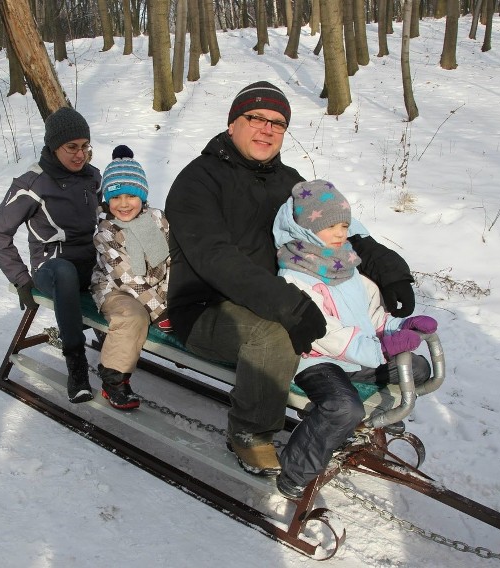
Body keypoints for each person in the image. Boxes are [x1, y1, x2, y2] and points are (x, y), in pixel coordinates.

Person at [164, 81, 416, 477]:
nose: (267, 129)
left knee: (348, 303)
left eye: (278, 124)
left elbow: (337, 226)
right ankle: (250, 432)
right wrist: (288, 305)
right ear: (233, 124)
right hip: (206, 308)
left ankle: (350, 388)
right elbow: (216, 258)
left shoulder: (290, 182)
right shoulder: (197, 181)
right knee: (274, 333)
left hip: (281, 294)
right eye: (257, 119)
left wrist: (389, 271)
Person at [272, 179, 437, 499]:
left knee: (416, 368)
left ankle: (377, 419)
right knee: (342, 407)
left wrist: (401, 326)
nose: (340, 232)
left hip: (358, 354)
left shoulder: (344, 263)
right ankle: (294, 471)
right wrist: (379, 348)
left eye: (344, 225)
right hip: (317, 361)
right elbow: (324, 333)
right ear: (307, 227)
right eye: (330, 225)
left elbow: (370, 315)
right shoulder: (294, 273)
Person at [0, 106, 100, 404]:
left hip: (90, 264)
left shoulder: (93, 177)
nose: (80, 155)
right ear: (53, 146)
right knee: (64, 272)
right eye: (71, 147)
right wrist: (21, 279)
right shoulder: (33, 183)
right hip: (52, 268)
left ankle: (117, 347)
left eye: (85, 147)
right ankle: (76, 365)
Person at [91, 145, 172, 410]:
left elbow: (170, 261)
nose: (124, 204)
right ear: (107, 200)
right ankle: (114, 381)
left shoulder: (158, 220)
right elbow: (126, 278)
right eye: (116, 197)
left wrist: (168, 298)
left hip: (153, 288)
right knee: (133, 317)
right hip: (115, 289)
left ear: (143, 195)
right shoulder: (106, 231)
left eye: (131, 196)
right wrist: (159, 310)